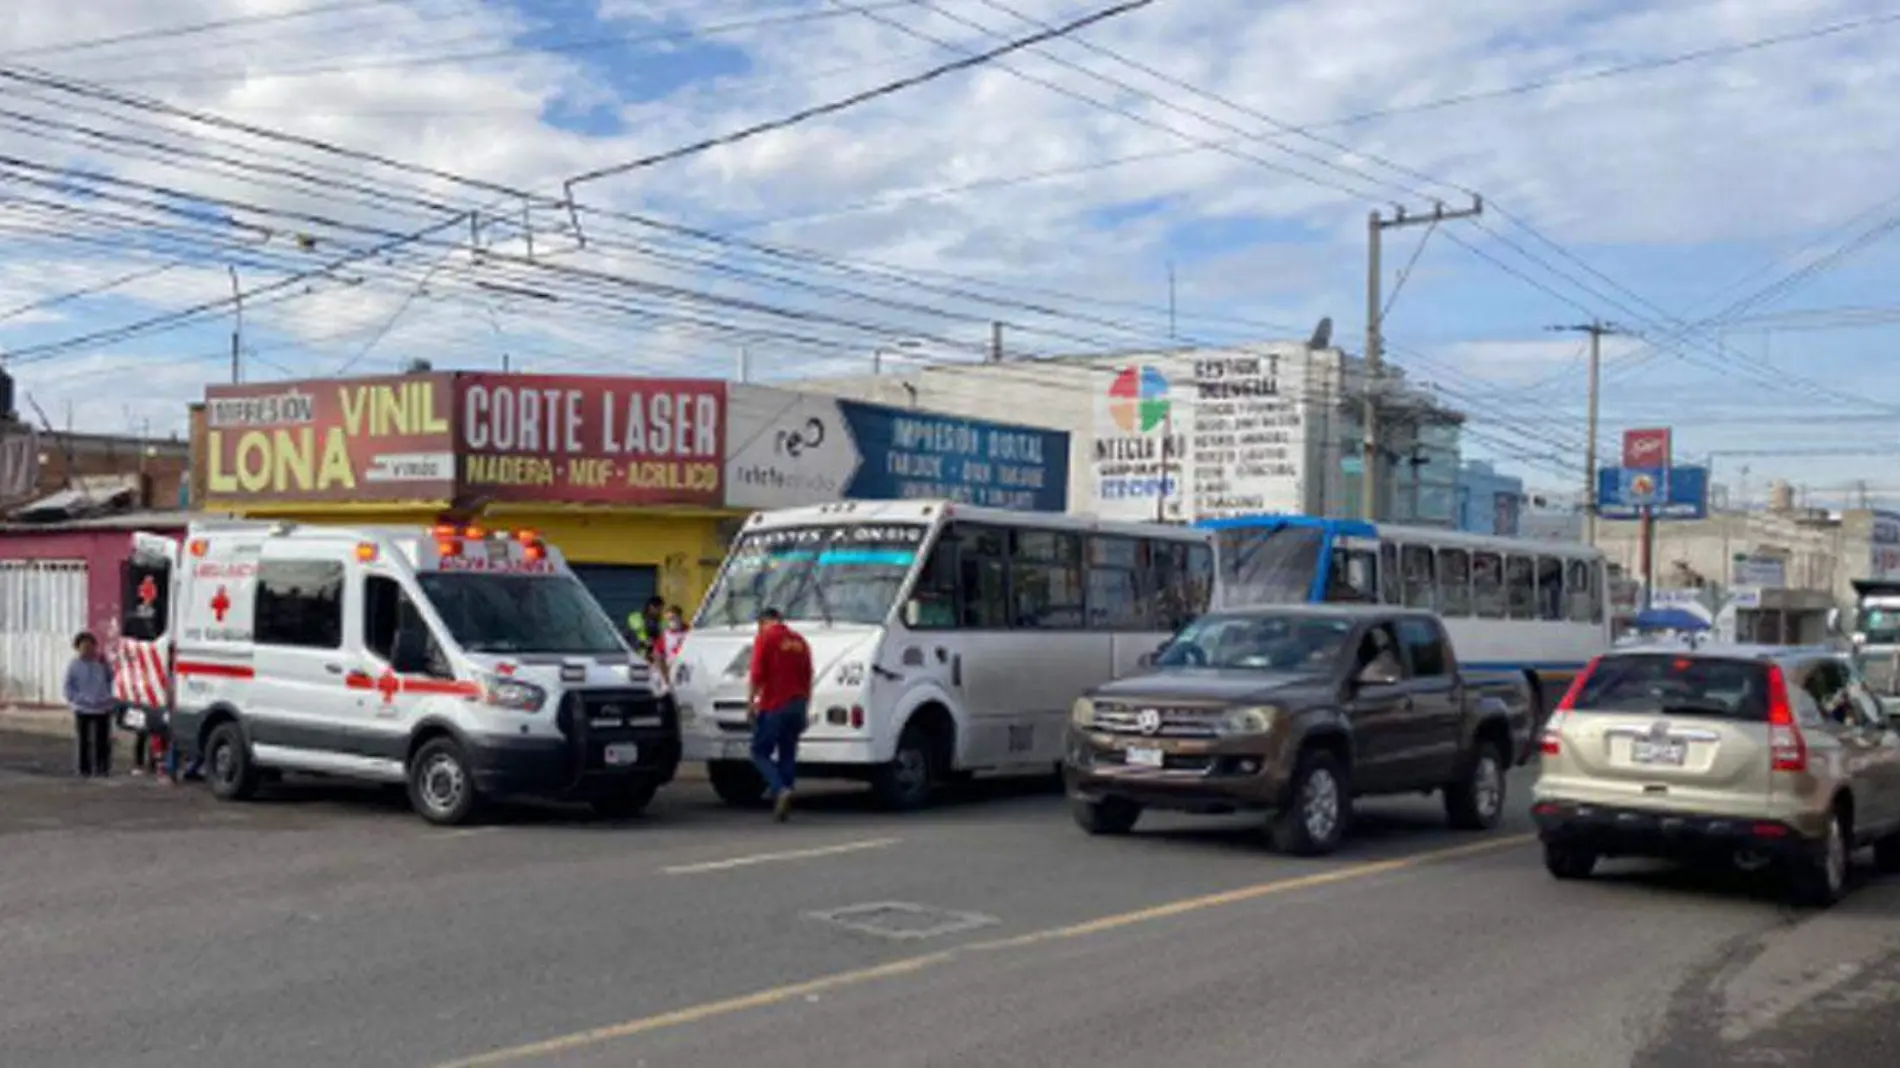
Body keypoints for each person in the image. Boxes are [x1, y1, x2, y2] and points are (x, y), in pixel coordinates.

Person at [748, 607, 813, 822]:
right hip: (798, 703)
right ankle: (786, 793)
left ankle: (780, 788)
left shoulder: (766, 638)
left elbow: (757, 674)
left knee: (760, 751)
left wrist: (750, 703)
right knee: (788, 751)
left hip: (775, 703)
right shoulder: (800, 642)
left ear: (765, 621)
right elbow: (808, 675)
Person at [63, 632, 117, 778]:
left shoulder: (101, 663)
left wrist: (110, 698)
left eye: (90, 646)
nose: (87, 649)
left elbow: (112, 678)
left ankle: (102, 768)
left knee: (103, 741)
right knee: (83, 741)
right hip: (83, 707)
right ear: (78, 648)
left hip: (102, 707)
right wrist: (76, 699)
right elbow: (68, 687)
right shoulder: (74, 665)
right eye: (84, 646)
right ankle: (84, 769)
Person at [626, 596, 665, 661]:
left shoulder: (663, 622)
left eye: (661, 610)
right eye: (658, 609)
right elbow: (627, 638)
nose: (660, 612)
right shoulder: (635, 618)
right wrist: (643, 642)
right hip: (637, 657)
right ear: (651, 607)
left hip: (656, 658)